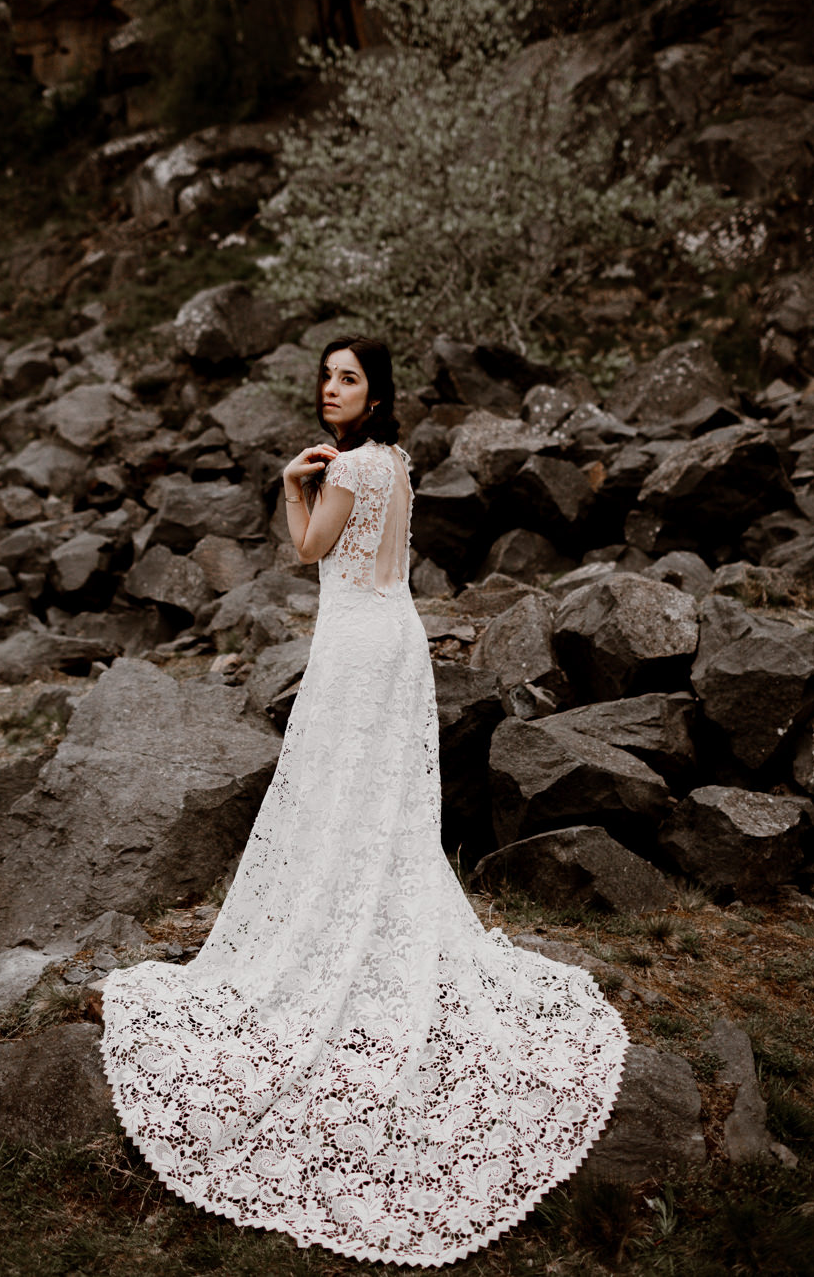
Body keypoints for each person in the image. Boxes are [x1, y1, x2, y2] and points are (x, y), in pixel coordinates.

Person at [100, 336, 628, 1266]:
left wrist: (292, 483)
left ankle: (332, 932)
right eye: (327, 376)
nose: (329, 389)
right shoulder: (399, 463)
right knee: (377, 799)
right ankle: (368, 905)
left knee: (339, 790)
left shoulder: (350, 465)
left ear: (376, 395)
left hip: (355, 645)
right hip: (397, 637)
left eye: (347, 379)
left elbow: (309, 551)